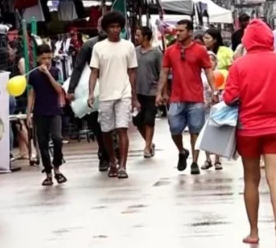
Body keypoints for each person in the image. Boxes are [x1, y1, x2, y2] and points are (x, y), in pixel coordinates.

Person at [224, 20, 276, 247]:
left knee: (251, 179)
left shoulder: (239, 65)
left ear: (247, 40)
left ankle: (254, 232)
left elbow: (229, 98)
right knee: (275, 178)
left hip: (248, 129)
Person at [157, 19, 216, 175]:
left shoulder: (200, 50)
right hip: (176, 97)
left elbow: (209, 71)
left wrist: (214, 90)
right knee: (174, 128)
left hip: (196, 97)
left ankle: (195, 162)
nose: (177, 33)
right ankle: (182, 151)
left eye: (181, 30)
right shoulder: (170, 51)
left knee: (195, 130)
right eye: (176, 30)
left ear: (190, 32)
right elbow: (164, 72)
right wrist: (160, 93)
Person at [88, 11, 138, 179]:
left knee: (122, 128)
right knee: (107, 131)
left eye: (118, 27)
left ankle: (123, 165)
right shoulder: (98, 48)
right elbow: (94, 72)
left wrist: (134, 97)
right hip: (105, 95)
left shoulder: (128, 46)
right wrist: (90, 93)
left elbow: (132, 72)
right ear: (106, 29)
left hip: (124, 93)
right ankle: (112, 161)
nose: (115, 30)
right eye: (112, 27)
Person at [69, 29, 112, 172]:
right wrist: (71, 88)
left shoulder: (119, 44)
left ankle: (113, 153)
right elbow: (78, 67)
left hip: (114, 86)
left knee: (114, 124)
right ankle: (103, 154)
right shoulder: (89, 45)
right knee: (96, 124)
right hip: (93, 87)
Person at [26, 44, 69, 185]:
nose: (46, 61)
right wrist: (28, 113)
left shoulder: (56, 71)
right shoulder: (33, 75)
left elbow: (58, 89)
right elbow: (31, 94)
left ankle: (57, 167)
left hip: (55, 110)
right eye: (43, 58)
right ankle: (48, 172)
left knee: (57, 138)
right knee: (42, 143)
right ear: (38, 59)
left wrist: (48, 74)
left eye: (48, 58)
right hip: (40, 112)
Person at [200, 27, 233, 170]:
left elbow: (232, 71)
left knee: (219, 128)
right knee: (205, 129)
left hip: (221, 99)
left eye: (208, 38)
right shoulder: (201, 53)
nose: (205, 40)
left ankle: (218, 159)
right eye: (204, 38)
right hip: (204, 104)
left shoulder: (226, 53)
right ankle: (207, 158)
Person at [134, 26, 162, 159]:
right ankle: (149, 143)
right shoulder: (134, 52)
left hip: (152, 91)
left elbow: (162, 73)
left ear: (145, 36)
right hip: (138, 91)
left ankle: (147, 147)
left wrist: (162, 92)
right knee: (138, 120)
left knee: (149, 119)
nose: (136, 37)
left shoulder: (156, 53)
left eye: (138, 35)